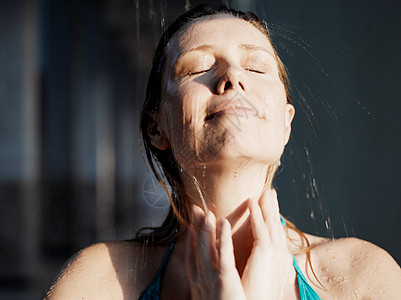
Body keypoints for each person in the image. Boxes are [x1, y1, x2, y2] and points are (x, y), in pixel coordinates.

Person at [44, 4, 401, 299]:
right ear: (157, 128)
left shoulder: (361, 276)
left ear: (286, 123)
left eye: (257, 67)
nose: (232, 77)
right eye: (198, 67)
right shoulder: (102, 280)